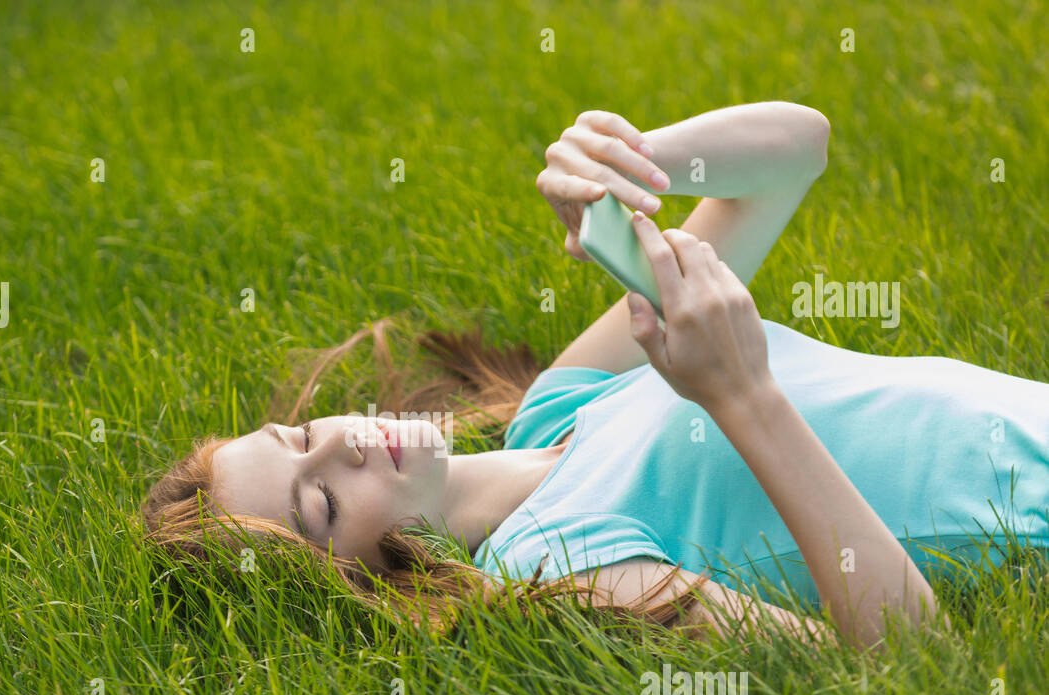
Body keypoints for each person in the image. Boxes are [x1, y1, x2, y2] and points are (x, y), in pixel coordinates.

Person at [143, 103, 1049, 651]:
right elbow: (911, 657)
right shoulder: (554, 563)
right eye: (322, 505)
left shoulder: (559, 406)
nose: (340, 443)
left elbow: (796, 151)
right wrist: (743, 398)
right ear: (371, 584)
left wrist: (633, 158)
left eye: (301, 437)